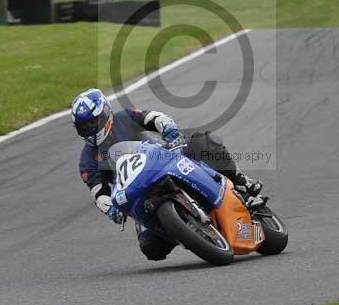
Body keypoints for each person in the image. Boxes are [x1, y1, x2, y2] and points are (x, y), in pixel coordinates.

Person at [71, 88, 262, 261]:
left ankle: (240, 181)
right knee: (150, 247)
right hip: (137, 191)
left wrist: (167, 128)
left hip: (164, 158)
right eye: (83, 127)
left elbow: (152, 117)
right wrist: (110, 209)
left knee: (203, 143)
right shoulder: (87, 160)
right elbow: (99, 192)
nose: (89, 129)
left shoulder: (125, 117)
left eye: (92, 123)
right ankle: (187, 230)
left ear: (105, 114)